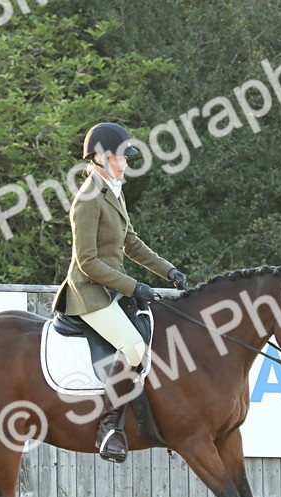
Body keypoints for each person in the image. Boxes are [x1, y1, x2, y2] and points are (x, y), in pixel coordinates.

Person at [51, 122, 187, 463]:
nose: (126, 163)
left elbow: (132, 244)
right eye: (121, 157)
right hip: (89, 294)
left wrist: (168, 270)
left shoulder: (114, 192)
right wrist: (134, 286)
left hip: (111, 290)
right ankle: (108, 428)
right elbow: (87, 263)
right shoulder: (87, 200)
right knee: (135, 346)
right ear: (99, 157)